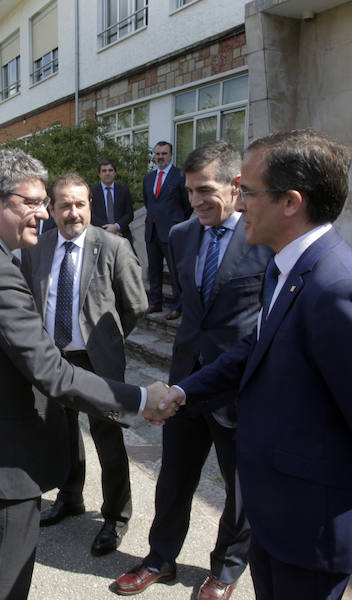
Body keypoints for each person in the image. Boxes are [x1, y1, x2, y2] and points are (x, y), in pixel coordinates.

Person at [170, 129, 352, 600]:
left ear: (290, 202)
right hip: (277, 509)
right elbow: (254, 349)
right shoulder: (284, 266)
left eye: (247, 191)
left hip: (315, 519)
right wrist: (184, 392)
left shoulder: (341, 288)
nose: (239, 203)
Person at [0, 148, 178, 599]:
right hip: (2, 463)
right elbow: (54, 374)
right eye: (31, 202)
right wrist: (142, 399)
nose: (43, 213)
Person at [114, 141, 271, 599]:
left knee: (238, 488)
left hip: (238, 387)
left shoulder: (262, 240)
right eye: (191, 191)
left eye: (206, 189)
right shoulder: (182, 235)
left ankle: (226, 569)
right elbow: (190, 309)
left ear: (235, 185)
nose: (197, 199)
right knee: (174, 478)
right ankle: (160, 558)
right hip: (185, 381)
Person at [21, 173, 147, 556]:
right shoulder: (38, 249)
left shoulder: (112, 246)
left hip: (97, 362)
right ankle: (70, 497)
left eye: (79, 204)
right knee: (62, 434)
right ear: (51, 209)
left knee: (108, 439)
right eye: (64, 205)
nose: (72, 212)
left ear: (90, 204)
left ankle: (115, 516)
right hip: (55, 360)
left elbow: (135, 305)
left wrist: (107, 341)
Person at [143, 141, 192, 320]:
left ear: (171, 155)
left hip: (172, 231)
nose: (160, 157)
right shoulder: (148, 178)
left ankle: (177, 306)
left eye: (164, 153)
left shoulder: (179, 175)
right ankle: (155, 302)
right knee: (154, 270)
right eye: (157, 154)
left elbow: (187, 205)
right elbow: (148, 203)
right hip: (152, 230)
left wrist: (177, 223)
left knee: (174, 271)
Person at [90, 159, 134, 245]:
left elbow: (129, 214)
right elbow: (91, 215)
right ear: (99, 174)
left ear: (115, 173)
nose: (107, 173)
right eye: (104, 171)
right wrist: (108, 229)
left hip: (122, 235)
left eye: (110, 170)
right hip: (100, 236)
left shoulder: (124, 190)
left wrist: (116, 227)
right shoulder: (92, 192)